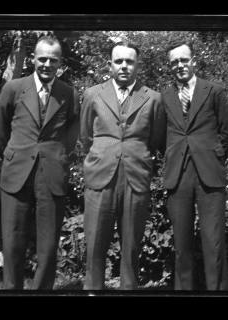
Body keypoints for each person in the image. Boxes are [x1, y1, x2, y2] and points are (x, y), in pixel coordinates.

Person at [0, 35, 80, 290]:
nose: (47, 64)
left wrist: (60, 154)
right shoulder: (14, 88)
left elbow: (74, 128)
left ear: (60, 62)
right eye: (42, 58)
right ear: (33, 59)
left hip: (51, 174)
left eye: (53, 60)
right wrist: (11, 154)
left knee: (49, 246)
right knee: (12, 243)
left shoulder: (69, 93)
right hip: (16, 171)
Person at [80, 41, 165, 290]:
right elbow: (85, 136)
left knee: (131, 245)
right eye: (119, 61)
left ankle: (129, 289)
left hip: (135, 177)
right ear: (110, 65)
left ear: (138, 65)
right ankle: (93, 289)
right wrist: (100, 155)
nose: (124, 66)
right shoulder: (93, 94)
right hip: (100, 175)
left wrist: (138, 157)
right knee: (95, 242)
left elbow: (156, 138)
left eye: (129, 61)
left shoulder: (153, 98)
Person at [161, 41, 228, 290]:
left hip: (209, 174)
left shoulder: (214, 91)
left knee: (213, 243)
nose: (179, 65)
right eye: (174, 62)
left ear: (193, 61)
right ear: (170, 66)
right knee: (181, 245)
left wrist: (213, 155)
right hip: (178, 175)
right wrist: (173, 155)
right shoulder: (165, 95)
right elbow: (161, 136)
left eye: (184, 60)